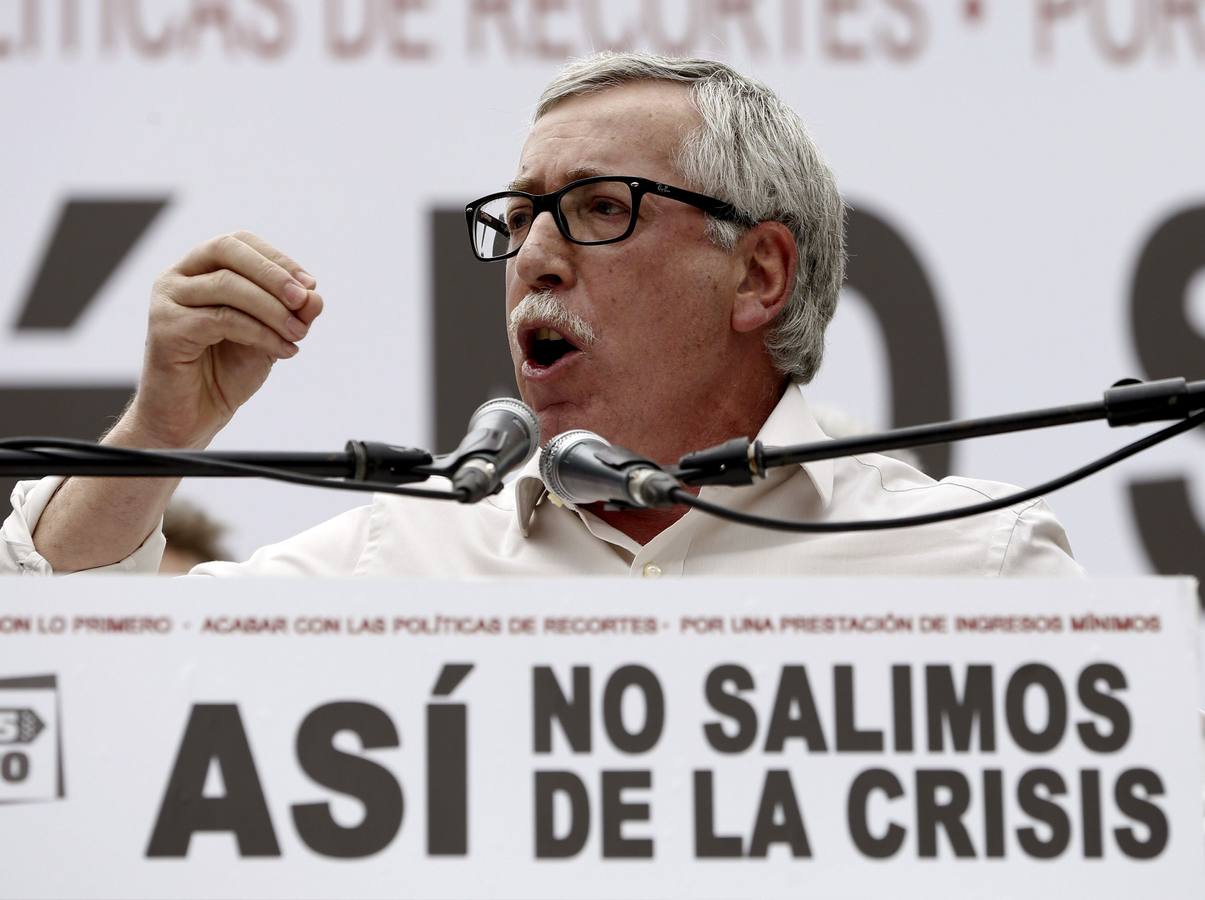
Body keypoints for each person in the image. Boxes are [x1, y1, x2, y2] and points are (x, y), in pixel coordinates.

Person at [1, 52, 1081, 577]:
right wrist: (161, 429)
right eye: (516, 219)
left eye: (600, 208)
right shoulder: (393, 560)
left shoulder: (972, 565)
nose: (533, 256)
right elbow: (71, 692)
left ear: (757, 275)